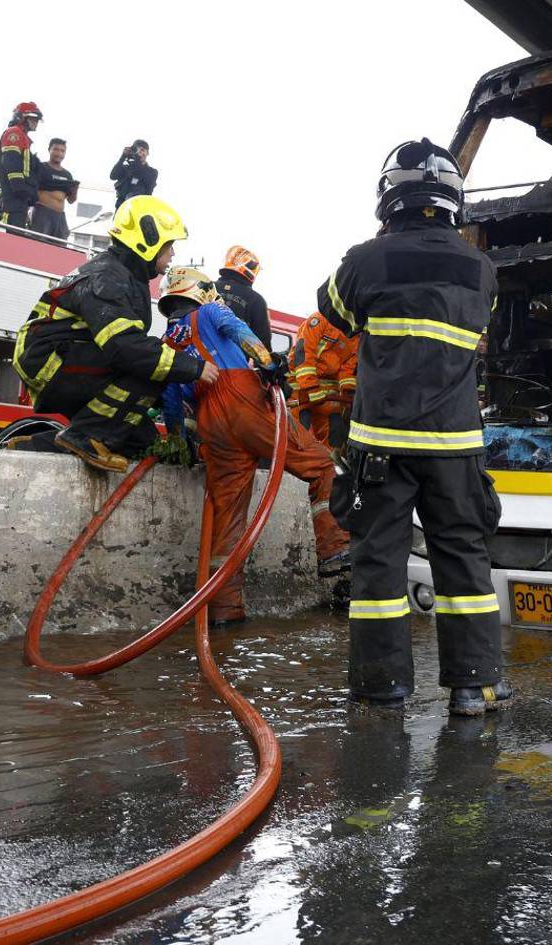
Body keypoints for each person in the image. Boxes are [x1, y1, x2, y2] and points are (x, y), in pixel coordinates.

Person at [317, 138, 510, 714]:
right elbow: (483, 330)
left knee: (379, 561)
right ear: (453, 198)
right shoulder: (482, 271)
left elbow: (334, 313)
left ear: (388, 198)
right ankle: (473, 686)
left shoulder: (364, 260)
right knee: (463, 558)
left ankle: (382, 689)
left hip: (381, 446)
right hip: (456, 447)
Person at [158, 267, 350, 626]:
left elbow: (172, 403)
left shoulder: (168, 343)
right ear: (202, 291)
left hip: (210, 424)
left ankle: (225, 610)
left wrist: (182, 445)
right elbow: (238, 330)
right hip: (242, 399)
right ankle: (334, 550)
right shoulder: (211, 310)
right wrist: (267, 362)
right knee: (321, 463)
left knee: (228, 518)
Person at [12, 195, 213, 472]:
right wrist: (193, 367)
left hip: (61, 356)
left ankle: (28, 450)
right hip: (48, 362)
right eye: (169, 246)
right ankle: (83, 436)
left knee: (139, 442)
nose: (172, 255)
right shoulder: (107, 277)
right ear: (147, 241)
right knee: (152, 366)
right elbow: (126, 348)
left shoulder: (126, 276)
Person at [288, 311, 359, 450]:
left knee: (334, 430)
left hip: (330, 388)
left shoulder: (356, 335)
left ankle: (330, 466)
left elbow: (348, 367)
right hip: (301, 384)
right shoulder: (320, 320)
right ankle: (294, 463)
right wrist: (310, 387)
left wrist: (348, 393)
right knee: (298, 432)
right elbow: (303, 352)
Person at [216, 246, 272, 349]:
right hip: (233, 362)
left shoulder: (206, 287)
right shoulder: (256, 300)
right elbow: (263, 346)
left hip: (197, 359)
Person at [0, 102, 43, 229]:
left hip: (19, 200)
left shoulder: (23, 137)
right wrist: (24, 190)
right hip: (11, 199)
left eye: (37, 119)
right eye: (33, 118)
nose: (36, 122)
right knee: (9, 242)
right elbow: (11, 164)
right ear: (22, 117)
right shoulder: (14, 133)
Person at [31, 138, 79, 240]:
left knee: (59, 250)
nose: (59, 153)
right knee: (37, 247)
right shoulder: (41, 167)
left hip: (60, 217)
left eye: (62, 151)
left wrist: (75, 189)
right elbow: (30, 190)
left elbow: (71, 200)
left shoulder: (67, 174)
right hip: (42, 214)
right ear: (49, 150)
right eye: (56, 149)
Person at [109, 139, 157, 208]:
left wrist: (137, 158)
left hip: (139, 207)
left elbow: (139, 174)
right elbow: (113, 176)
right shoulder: (126, 168)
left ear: (147, 153)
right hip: (121, 208)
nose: (139, 152)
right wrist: (123, 157)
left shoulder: (152, 172)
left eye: (142, 150)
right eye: (137, 150)